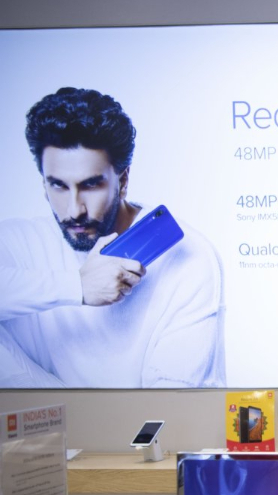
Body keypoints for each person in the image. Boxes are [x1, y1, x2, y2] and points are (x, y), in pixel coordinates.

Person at [0, 87, 224, 388]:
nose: (74, 210)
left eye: (90, 186)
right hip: (45, 428)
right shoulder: (18, 242)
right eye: (58, 186)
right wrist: (77, 286)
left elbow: (173, 401)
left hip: (143, 429)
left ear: (123, 179)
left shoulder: (189, 258)